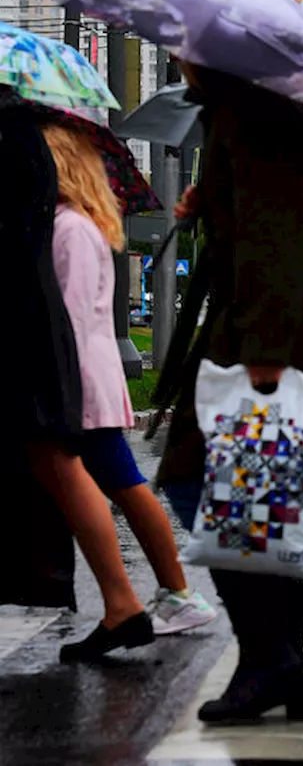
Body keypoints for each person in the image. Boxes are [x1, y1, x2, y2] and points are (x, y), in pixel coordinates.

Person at [155, 62, 303, 723]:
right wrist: (212, 203)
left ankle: (270, 658)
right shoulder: (256, 111)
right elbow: (262, 225)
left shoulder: (256, 119)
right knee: (266, 510)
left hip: (261, 351)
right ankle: (289, 662)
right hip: (274, 343)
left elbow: (275, 241)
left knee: (201, 488)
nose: (175, 58)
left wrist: (264, 353)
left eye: (181, 49)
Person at [41, 122, 217, 652]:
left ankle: (171, 596)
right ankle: (166, 596)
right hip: (89, 377)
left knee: (120, 479)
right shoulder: (78, 223)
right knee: (120, 479)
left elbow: (66, 315)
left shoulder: (68, 228)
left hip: (79, 380)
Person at [1, 88, 88, 614]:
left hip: (24, 333)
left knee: (61, 466)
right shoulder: (22, 131)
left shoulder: (12, 136)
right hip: (34, 334)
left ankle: (111, 595)